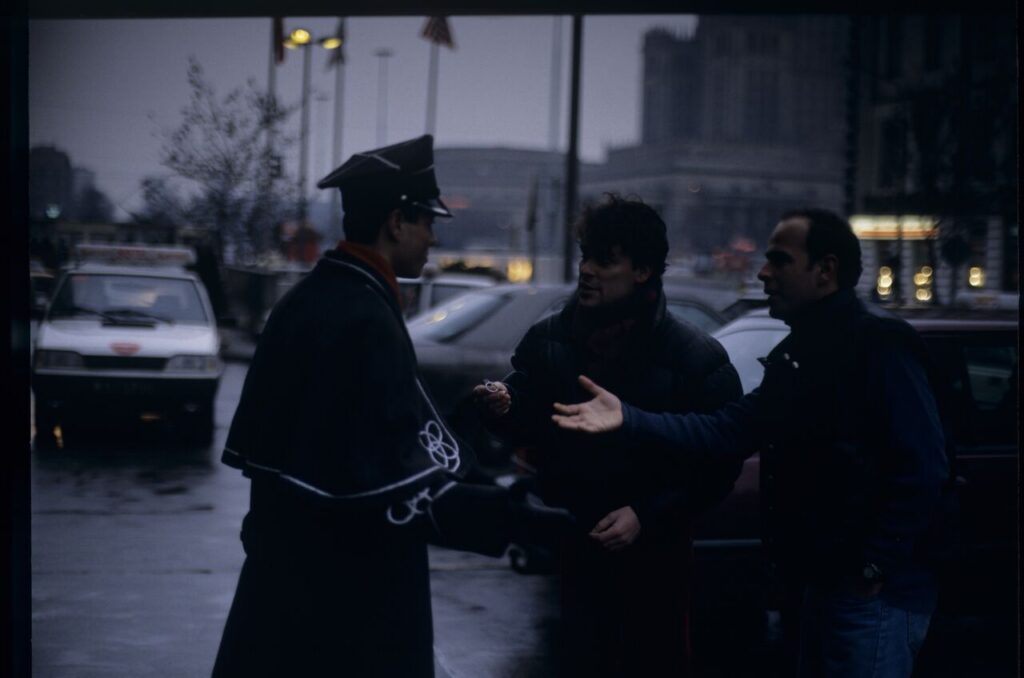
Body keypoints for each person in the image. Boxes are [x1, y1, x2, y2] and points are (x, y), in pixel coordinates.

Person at [211, 135, 572, 678]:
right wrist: (523, 519)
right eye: (427, 221)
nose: (433, 237)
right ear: (397, 222)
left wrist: (465, 430)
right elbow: (390, 482)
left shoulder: (310, 299)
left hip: (284, 585)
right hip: (346, 600)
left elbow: (341, 447)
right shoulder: (364, 316)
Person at [551, 208, 952, 678]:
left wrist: (874, 568)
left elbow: (924, 468)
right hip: (826, 584)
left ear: (825, 270)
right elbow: (728, 430)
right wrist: (628, 418)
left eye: (779, 260)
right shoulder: (802, 353)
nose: (763, 273)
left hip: (871, 596)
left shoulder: (878, 344)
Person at [473, 194, 743, 677]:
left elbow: (719, 461)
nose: (587, 270)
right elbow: (532, 416)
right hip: (575, 542)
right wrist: (504, 405)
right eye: (585, 256)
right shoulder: (551, 338)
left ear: (642, 271)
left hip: (658, 554)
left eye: (604, 260)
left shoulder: (694, 357)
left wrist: (647, 514)